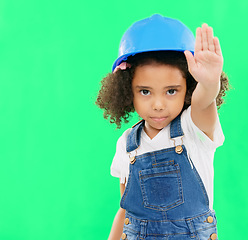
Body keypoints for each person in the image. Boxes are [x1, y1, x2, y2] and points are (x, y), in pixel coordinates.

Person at [96, 14, 229, 240]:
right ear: (128, 90)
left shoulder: (194, 127)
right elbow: (126, 211)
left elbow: (204, 100)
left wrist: (209, 82)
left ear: (189, 86)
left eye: (171, 91)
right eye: (145, 91)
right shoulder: (127, 144)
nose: (158, 105)